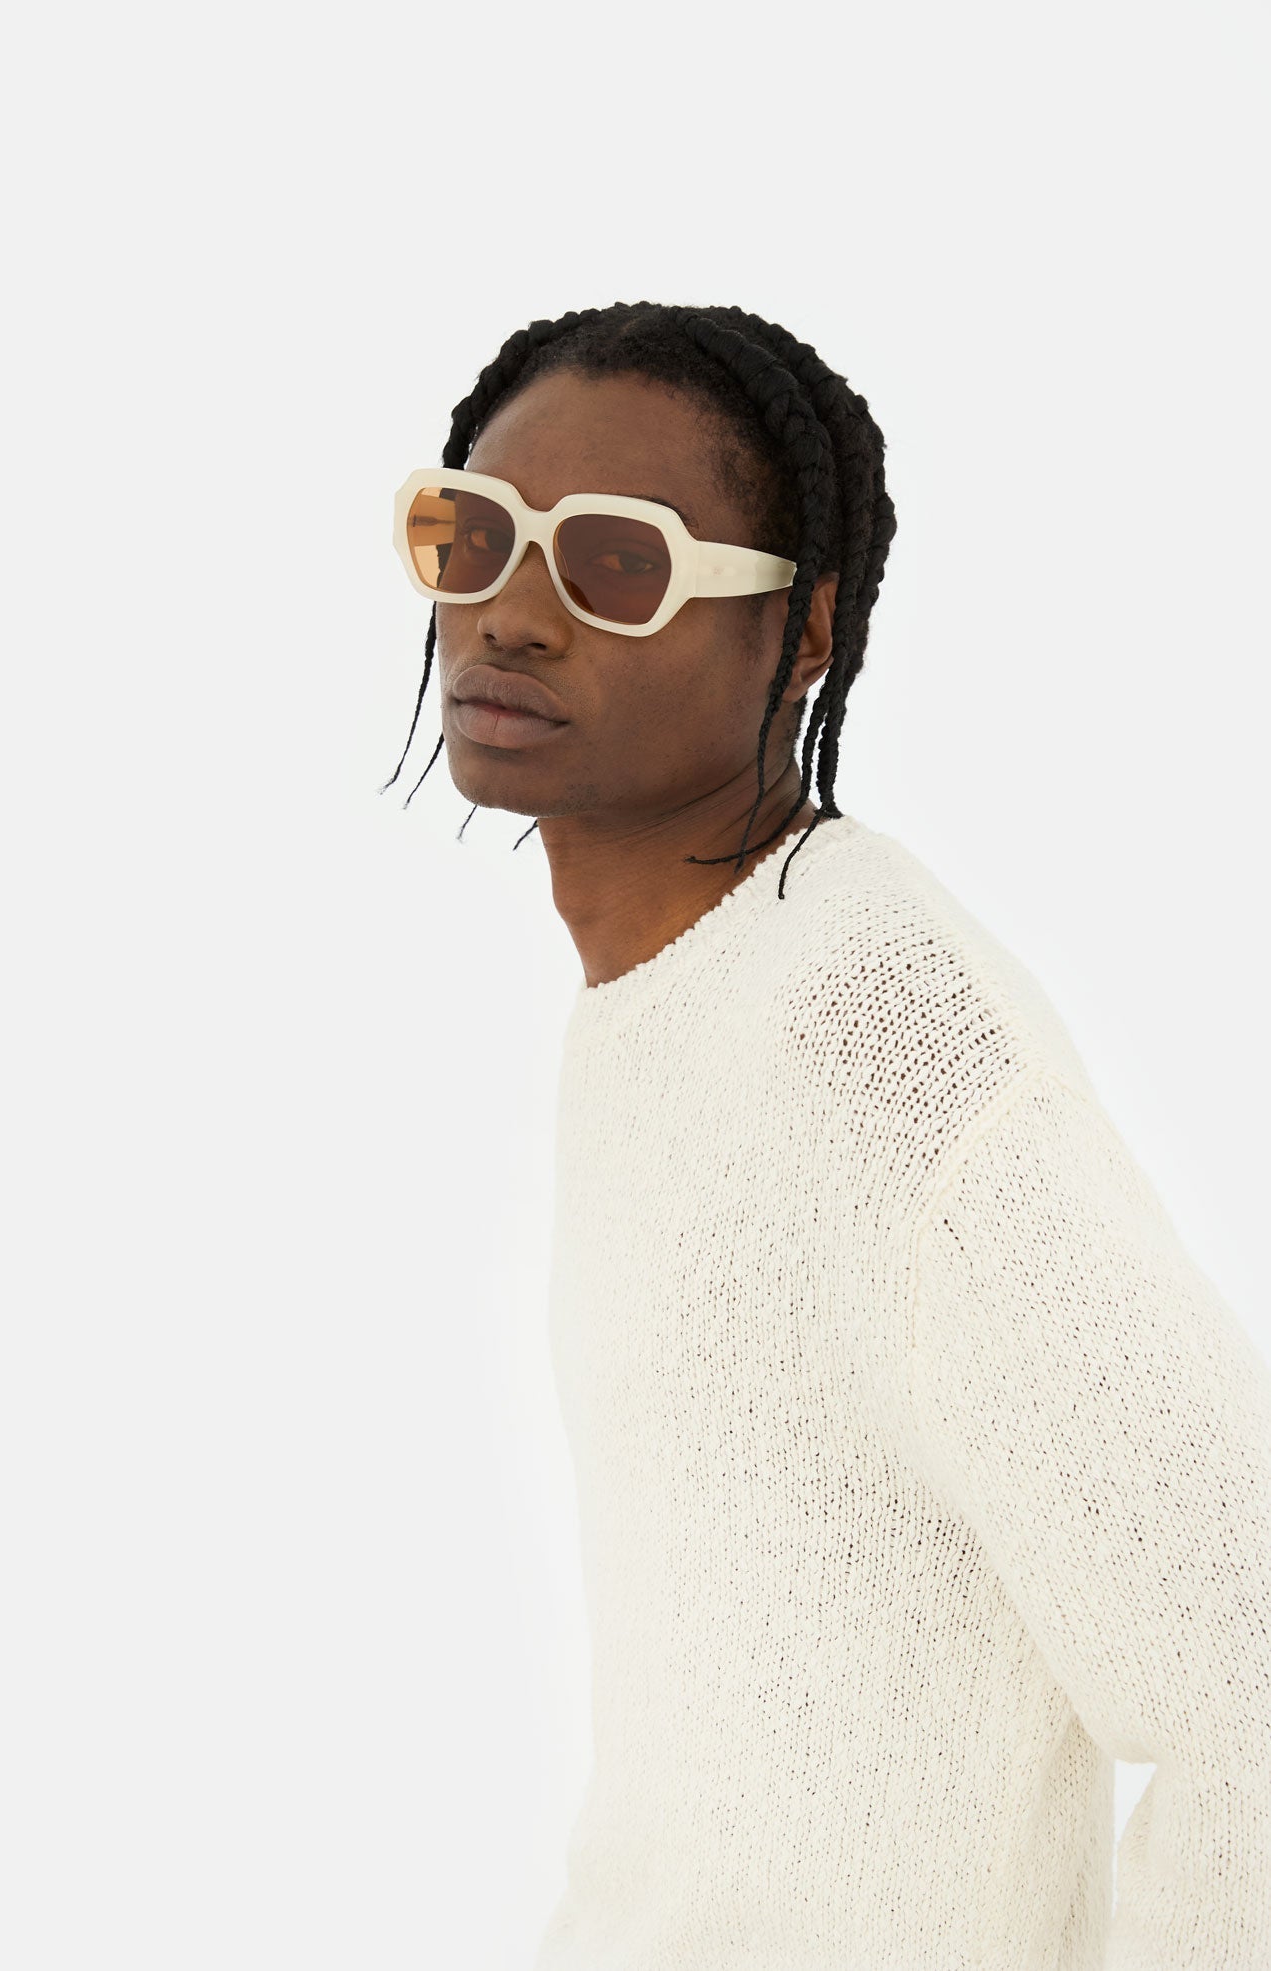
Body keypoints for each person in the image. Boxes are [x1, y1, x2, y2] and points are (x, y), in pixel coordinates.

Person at [384, 301, 1271, 1970]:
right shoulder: (684, 987)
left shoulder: (890, 1059)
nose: (509, 611)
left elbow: (1250, 1662)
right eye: (471, 531)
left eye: (618, 564)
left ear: (799, 631)